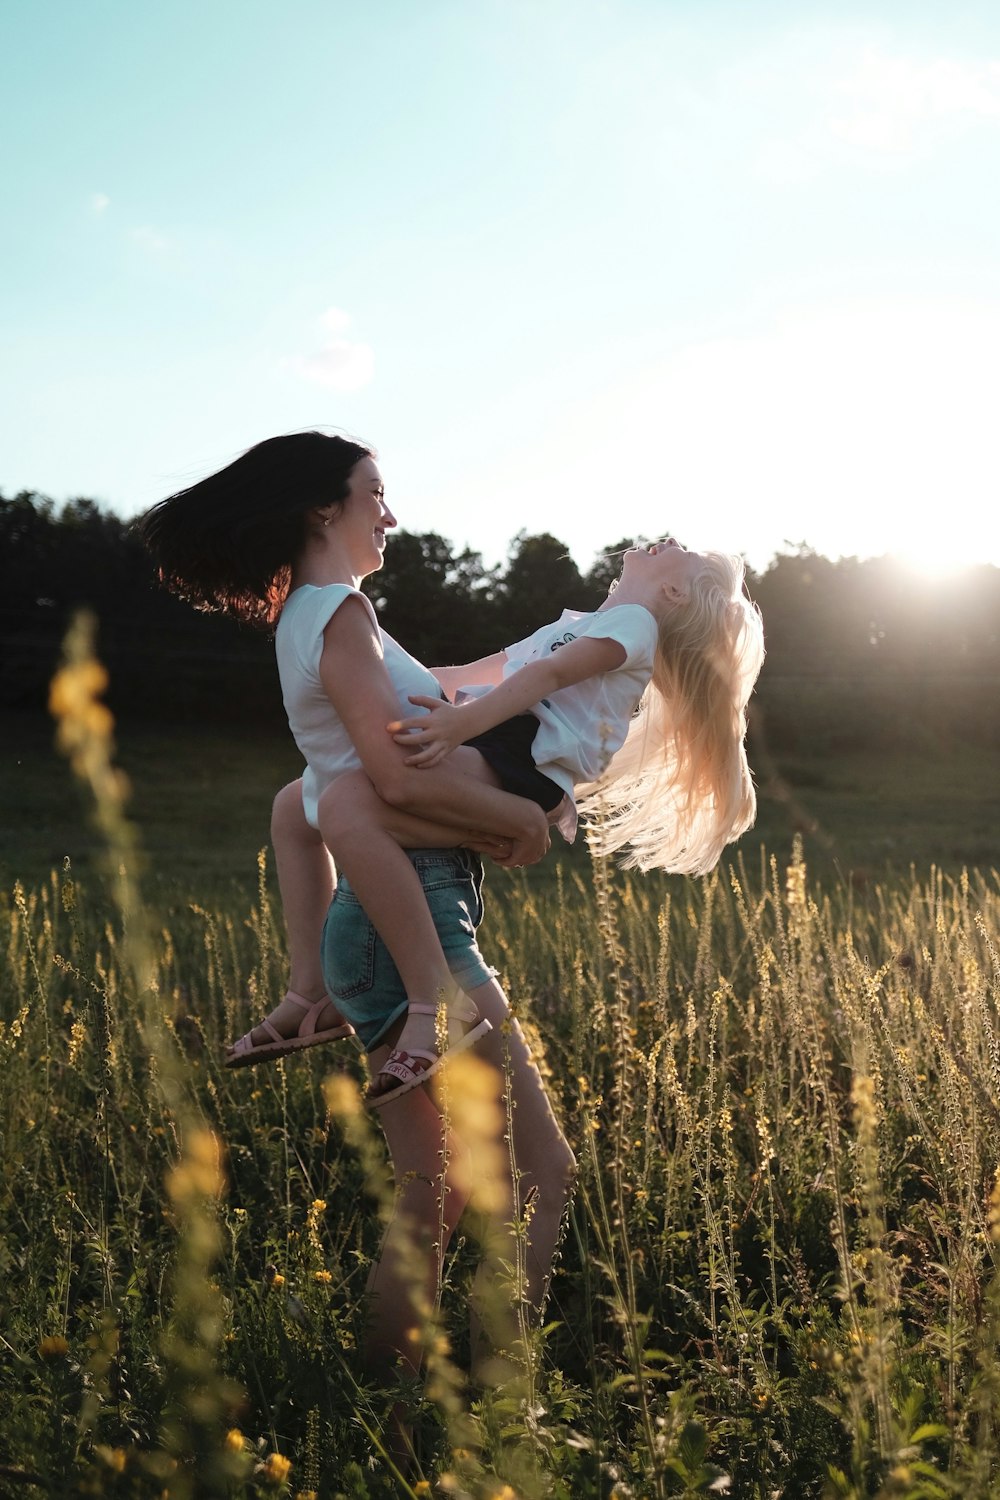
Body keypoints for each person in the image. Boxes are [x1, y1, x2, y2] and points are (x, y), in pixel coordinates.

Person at [137, 431, 576, 1424]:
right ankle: (505, 1411)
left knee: (436, 1189)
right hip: (409, 923)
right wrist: (519, 821)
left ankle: (380, 1411)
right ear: (317, 508)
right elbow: (380, 781)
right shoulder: (342, 617)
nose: (391, 513)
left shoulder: (320, 622)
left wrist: (551, 653)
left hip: (377, 927)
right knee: (540, 1170)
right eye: (374, 492)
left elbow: (316, 793)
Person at [262, 539, 764, 1103]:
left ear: (672, 590)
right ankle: (310, 989)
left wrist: (461, 724)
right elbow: (474, 672)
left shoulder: (635, 625)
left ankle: (435, 1001)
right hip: (500, 747)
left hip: (518, 759)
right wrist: (369, 682)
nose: (670, 540)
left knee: (351, 808)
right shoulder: (582, 622)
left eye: (684, 552)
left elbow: (545, 678)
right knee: (292, 809)